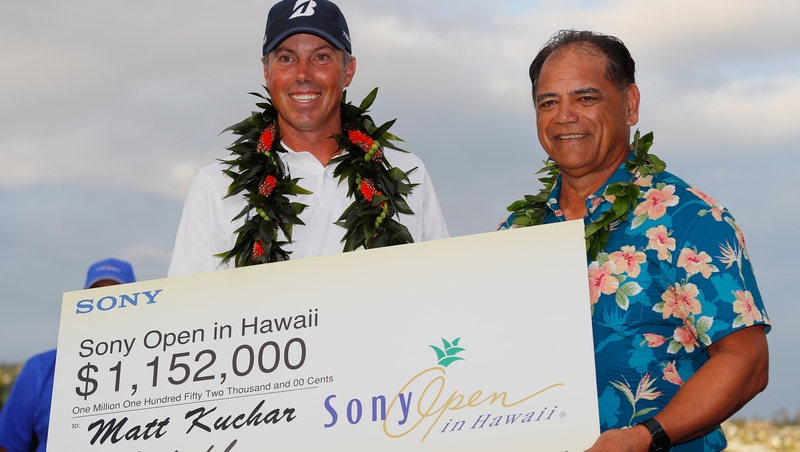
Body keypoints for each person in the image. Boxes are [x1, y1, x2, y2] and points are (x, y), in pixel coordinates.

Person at [499, 30, 769, 451]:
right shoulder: (516, 232)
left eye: (585, 98)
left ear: (630, 105)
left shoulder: (690, 219)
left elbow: (747, 362)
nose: (564, 115)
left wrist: (645, 437)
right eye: (548, 102)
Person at [168, 0, 448, 276]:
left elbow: (442, 287)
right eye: (286, 58)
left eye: (321, 57)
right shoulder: (216, 187)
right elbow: (188, 313)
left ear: (348, 70)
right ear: (266, 71)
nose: (303, 74)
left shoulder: (409, 175)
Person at [0, 259, 135, 452]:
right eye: (98, 300)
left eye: (119, 298)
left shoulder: (152, 368)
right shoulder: (39, 369)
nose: (108, 307)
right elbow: (7, 444)